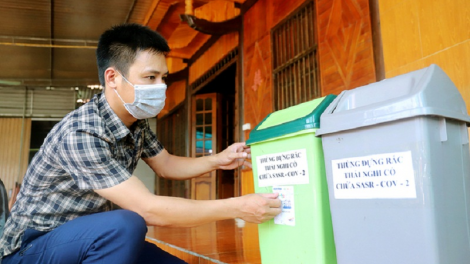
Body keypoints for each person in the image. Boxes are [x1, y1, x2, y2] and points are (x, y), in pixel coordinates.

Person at [0, 23, 281, 264]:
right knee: (126, 223)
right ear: (113, 77)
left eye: (163, 78)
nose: (160, 86)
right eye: (150, 77)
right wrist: (236, 207)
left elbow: (167, 163)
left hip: (87, 238)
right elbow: (148, 209)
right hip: (31, 250)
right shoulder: (81, 132)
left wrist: (218, 159)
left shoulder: (135, 120)